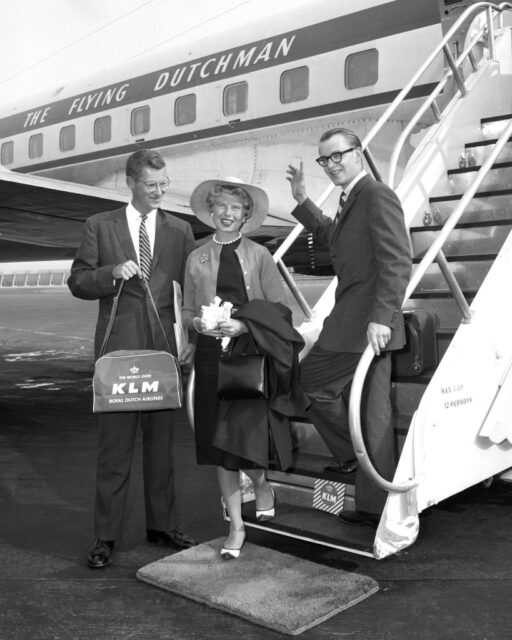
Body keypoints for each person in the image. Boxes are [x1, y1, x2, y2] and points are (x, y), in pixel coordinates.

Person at [68, 149, 198, 568]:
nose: (160, 192)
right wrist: (110, 274)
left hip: (164, 353)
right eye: (151, 185)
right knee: (115, 452)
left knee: (162, 449)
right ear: (131, 182)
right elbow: (78, 281)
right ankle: (105, 536)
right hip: (119, 354)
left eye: (164, 185)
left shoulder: (180, 230)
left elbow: (191, 292)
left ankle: (162, 527)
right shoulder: (99, 226)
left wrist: (190, 336)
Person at [286, 127, 412, 526]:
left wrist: (383, 318)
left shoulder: (376, 195)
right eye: (325, 159)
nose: (331, 164)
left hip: (366, 324)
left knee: (313, 382)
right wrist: (302, 200)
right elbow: (331, 235)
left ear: (359, 153)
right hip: (353, 321)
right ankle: (370, 491)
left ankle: (356, 467)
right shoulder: (351, 199)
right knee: (370, 412)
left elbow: (397, 260)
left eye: (338, 155)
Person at [183, 178, 307, 559]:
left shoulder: (259, 255)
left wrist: (245, 324)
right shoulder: (196, 258)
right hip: (210, 358)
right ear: (211, 211)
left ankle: (262, 483)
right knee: (219, 447)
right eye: (221, 206)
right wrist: (198, 325)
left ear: (245, 215)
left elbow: (281, 309)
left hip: (249, 356)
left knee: (246, 443)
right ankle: (236, 525)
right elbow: (186, 312)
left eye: (236, 208)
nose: (227, 213)